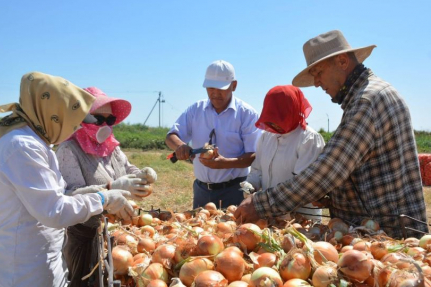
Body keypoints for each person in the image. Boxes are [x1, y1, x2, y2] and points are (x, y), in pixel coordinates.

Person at [235, 30, 428, 239]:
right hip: (385, 228)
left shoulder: (367, 101)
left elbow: (326, 172)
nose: (317, 83)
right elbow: (363, 171)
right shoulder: (369, 95)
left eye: (318, 73)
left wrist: (261, 203)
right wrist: (333, 198)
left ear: (343, 61)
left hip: (389, 236)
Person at [0, 72, 135, 287]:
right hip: (25, 273)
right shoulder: (23, 146)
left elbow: (59, 195)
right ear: (52, 113)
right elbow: (55, 211)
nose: (73, 126)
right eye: (68, 117)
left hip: (35, 262)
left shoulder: (34, 141)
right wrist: (103, 198)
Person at [56, 87, 157, 287]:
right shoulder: (68, 149)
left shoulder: (111, 146)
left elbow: (129, 170)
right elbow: (70, 196)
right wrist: (110, 188)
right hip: (84, 234)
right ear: (80, 116)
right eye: (97, 119)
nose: (104, 125)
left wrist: (144, 175)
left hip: (117, 232)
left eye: (109, 120)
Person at [166, 60, 261, 209]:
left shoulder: (247, 114)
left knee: (235, 231)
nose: (215, 94)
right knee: (200, 230)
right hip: (202, 191)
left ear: (234, 86)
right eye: (210, 88)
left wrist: (225, 163)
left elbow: (254, 155)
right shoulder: (196, 110)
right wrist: (180, 146)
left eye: (221, 89)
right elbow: (171, 135)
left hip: (235, 190)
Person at [242, 85, 325, 222]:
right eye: (271, 118)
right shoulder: (266, 137)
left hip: (302, 221)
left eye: (279, 118)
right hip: (271, 216)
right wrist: (250, 186)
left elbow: (302, 187)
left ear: (292, 111)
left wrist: (263, 202)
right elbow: (257, 170)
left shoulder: (308, 139)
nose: (274, 124)